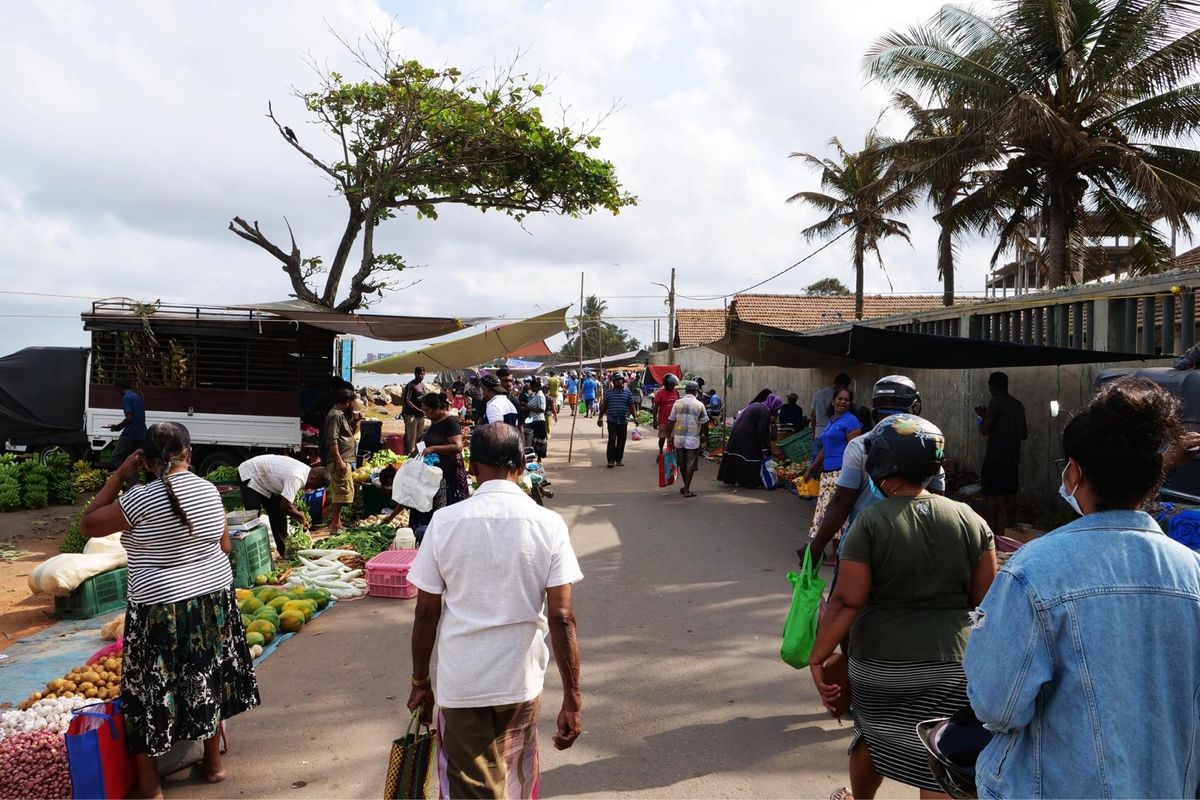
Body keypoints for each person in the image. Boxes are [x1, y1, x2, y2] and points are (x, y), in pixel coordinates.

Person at [964, 377, 1200, 799]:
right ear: (1152, 480)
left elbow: (995, 705)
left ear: (1074, 473)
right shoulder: (1193, 572)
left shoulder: (1033, 571)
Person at [809, 414, 997, 800]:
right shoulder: (971, 520)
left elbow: (847, 600)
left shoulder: (870, 523)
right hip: (953, 664)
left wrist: (818, 656)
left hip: (879, 662)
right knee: (942, 754)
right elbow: (986, 601)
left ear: (881, 462)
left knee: (871, 737)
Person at [79, 422, 259, 798]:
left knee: (148, 691)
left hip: (158, 608)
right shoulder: (209, 490)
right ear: (188, 454)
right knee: (204, 676)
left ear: (143, 461)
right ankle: (213, 765)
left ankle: (150, 785)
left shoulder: (140, 498)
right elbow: (225, 545)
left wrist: (118, 475)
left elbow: (89, 524)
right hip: (211, 601)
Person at [406, 423, 583, 799]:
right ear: (521, 465)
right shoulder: (549, 524)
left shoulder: (445, 522)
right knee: (515, 780)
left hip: (462, 683)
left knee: (471, 790)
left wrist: (420, 682)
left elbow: (425, 614)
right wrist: (573, 699)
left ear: (471, 466)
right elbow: (562, 617)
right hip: (521, 681)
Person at [803, 376, 946, 564]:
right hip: (912, 550)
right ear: (914, 406)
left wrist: (815, 550)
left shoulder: (860, 445)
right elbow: (937, 501)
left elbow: (842, 503)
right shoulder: (929, 442)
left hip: (862, 548)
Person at [391, 391, 470, 530]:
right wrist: (408, 459)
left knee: (441, 506)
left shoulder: (450, 422)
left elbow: (457, 446)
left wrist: (433, 449)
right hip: (432, 473)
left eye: (427, 410)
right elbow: (424, 445)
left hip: (445, 474)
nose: (425, 413)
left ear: (437, 408)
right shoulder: (435, 421)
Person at [803, 387, 862, 559]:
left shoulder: (851, 422)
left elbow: (855, 450)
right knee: (827, 512)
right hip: (827, 474)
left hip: (841, 474)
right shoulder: (833, 421)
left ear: (850, 404)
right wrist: (811, 469)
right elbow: (825, 449)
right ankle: (832, 551)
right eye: (840, 399)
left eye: (846, 400)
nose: (843, 402)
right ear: (833, 401)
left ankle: (837, 553)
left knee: (836, 513)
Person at [237, 455, 329, 557]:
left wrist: (296, 511)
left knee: (277, 514)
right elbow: (285, 506)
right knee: (253, 518)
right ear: (313, 478)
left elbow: (284, 505)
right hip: (250, 473)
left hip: (265, 478)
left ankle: (285, 552)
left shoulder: (306, 472)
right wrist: (300, 516)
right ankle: (253, 556)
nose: (313, 489)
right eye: (316, 486)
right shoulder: (297, 477)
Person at [973, 371, 1028, 537]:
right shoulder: (1018, 405)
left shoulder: (995, 403)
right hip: (1012, 459)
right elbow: (1024, 434)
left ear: (992, 386)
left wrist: (982, 417)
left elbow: (985, 430)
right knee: (1011, 495)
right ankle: (1010, 532)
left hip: (994, 458)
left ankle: (992, 535)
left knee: (991, 496)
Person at [717, 394, 783, 488]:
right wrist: (764, 449)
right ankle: (748, 481)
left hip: (738, 432)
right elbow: (761, 431)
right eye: (777, 409)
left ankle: (736, 479)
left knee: (739, 456)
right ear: (773, 405)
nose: (777, 412)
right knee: (751, 456)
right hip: (746, 434)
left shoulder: (758, 406)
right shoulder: (764, 412)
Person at [321, 388, 357, 533]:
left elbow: (345, 435)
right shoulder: (335, 416)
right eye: (353, 402)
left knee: (342, 492)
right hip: (339, 459)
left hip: (344, 458)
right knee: (340, 492)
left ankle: (338, 523)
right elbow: (332, 440)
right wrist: (339, 460)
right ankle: (334, 524)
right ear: (348, 402)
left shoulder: (339, 415)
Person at [665, 380, 709, 497]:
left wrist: (669, 436)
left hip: (679, 439)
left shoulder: (677, 403)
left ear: (686, 391)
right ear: (696, 391)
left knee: (682, 464)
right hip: (692, 440)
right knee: (690, 465)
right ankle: (687, 490)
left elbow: (670, 421)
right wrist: (707, 438)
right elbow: (705, 424)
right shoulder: (699, 405)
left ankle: (685, 487)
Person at [107, 377, 147, 470]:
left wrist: (117, 427)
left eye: (117, 389)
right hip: (142, 433)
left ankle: (131, 480)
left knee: (115, 458)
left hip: (131, 433)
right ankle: (135, 483)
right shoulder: (137, 396)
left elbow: (129, 418)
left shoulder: (126, 398)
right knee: (134, 460)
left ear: (119, 387)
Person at [597, 373, 634, 468]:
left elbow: (631, 406)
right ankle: (610, 460)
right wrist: (600, 417)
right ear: (613, 382)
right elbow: (604, 406)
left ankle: (618, 460)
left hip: (623, 420)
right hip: (612, 420)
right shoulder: (608, 393)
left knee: (621, 441)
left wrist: (635, 417)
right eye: (617, 380)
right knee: (612, 440)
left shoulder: (628, 392)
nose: (619, 381)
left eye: (621, 379)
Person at [401, 367, 429, 454]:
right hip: (411, 415)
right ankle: (411, 454)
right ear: (415, 374)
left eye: (422, 374)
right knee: (412, 436)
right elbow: (407, 400)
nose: (421, 375)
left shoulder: (422, 385)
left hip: (421, 415)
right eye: (419, 373)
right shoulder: (411, 385)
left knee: (420, 436)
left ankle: (420, 453)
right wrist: (416, 409)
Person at [651, 374, 681, 454]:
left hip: (674, 420)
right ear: (666, 384)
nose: (673, 386)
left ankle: (671, 453)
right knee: (662, 437)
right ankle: (660, 452)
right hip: (663, 420)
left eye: (674, 384)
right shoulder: (660, 393)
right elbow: (655, 408)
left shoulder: (676, 393)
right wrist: (654, 420)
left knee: (673, 438)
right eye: (672, 384)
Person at [526, 377, 549, 460]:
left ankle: (539, 457)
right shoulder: (535, 394)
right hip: (534, 420)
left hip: (539, 421)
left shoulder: (540, 395)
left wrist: (529, 409)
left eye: (532, 387)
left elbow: (542, 409)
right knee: (534, 440)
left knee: (539, 440)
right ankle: (535, 456)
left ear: (536, 386)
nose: (531, 388)